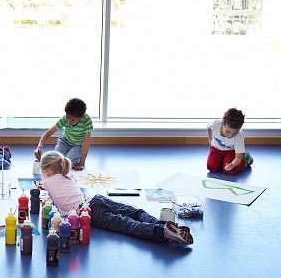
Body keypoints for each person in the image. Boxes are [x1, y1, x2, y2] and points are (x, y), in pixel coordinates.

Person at [40, 151, 194, 245]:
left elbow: (46, 197)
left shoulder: (47, 182)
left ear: (46, 171)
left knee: (125, 224)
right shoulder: (69, 177)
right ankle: (165, 225)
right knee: (135, 212)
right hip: (96, 199)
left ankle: (163, 233)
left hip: (88, 213)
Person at [35, 98, 93, 171]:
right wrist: (39, 147)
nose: (68, 122)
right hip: (64, 141)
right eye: (67, 117)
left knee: (67, 163)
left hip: (77, 145)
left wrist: (81, 163)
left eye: (72, 120)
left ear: (82, 117)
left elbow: (86, 143)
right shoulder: (64, 119)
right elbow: (48, 133)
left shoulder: (87, 121)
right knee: (56, 161)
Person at [207, 107, 253, 174]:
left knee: (230, 170)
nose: (230, 135)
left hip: (231, 151)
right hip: (216, 149)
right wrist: (210, 139)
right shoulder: (215, 124)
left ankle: (245, 159)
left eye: (234, 133)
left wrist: (232, 165)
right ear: (222, 124)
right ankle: (222, 161)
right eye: (228, 132)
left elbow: (238, 157)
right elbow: (208, 127)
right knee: (211, 167)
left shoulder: (239, 135)